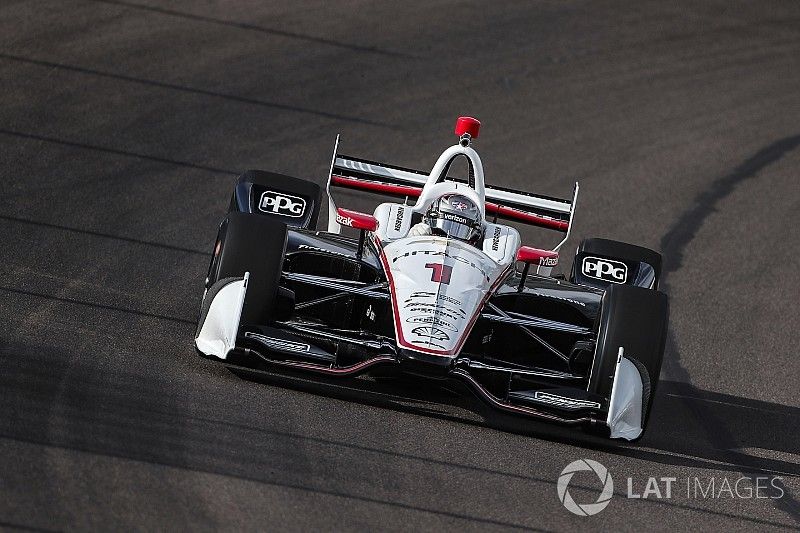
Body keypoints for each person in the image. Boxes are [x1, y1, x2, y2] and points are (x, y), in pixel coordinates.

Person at [408, 193, 483, 245]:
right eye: (443, 230)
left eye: (461, 231)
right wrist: (411, 241)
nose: (449, 240)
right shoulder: (420, 234)